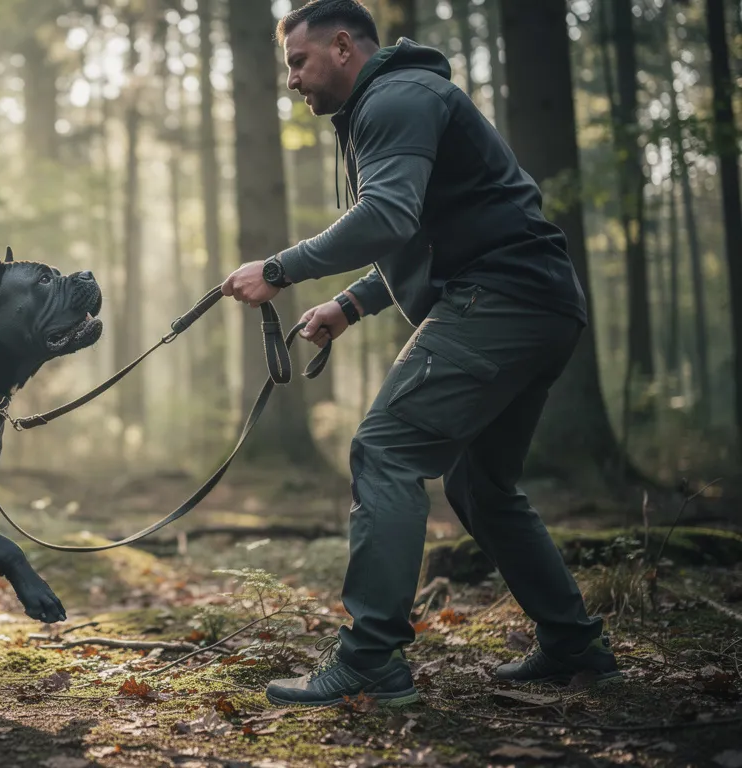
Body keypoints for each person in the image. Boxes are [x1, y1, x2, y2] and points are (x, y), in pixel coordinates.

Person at [220, 0, 622, 708]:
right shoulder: (399, 100)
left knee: (386, 450)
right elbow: (423, 233)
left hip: (500, 298)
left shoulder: (395, 100)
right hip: (539, 304)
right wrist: (349, 305)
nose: (291, 80)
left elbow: (386, 217)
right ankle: (571, 642)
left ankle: (371, 658)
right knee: (481, 487)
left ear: (343, 47)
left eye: (298, 61)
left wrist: (278, 269)